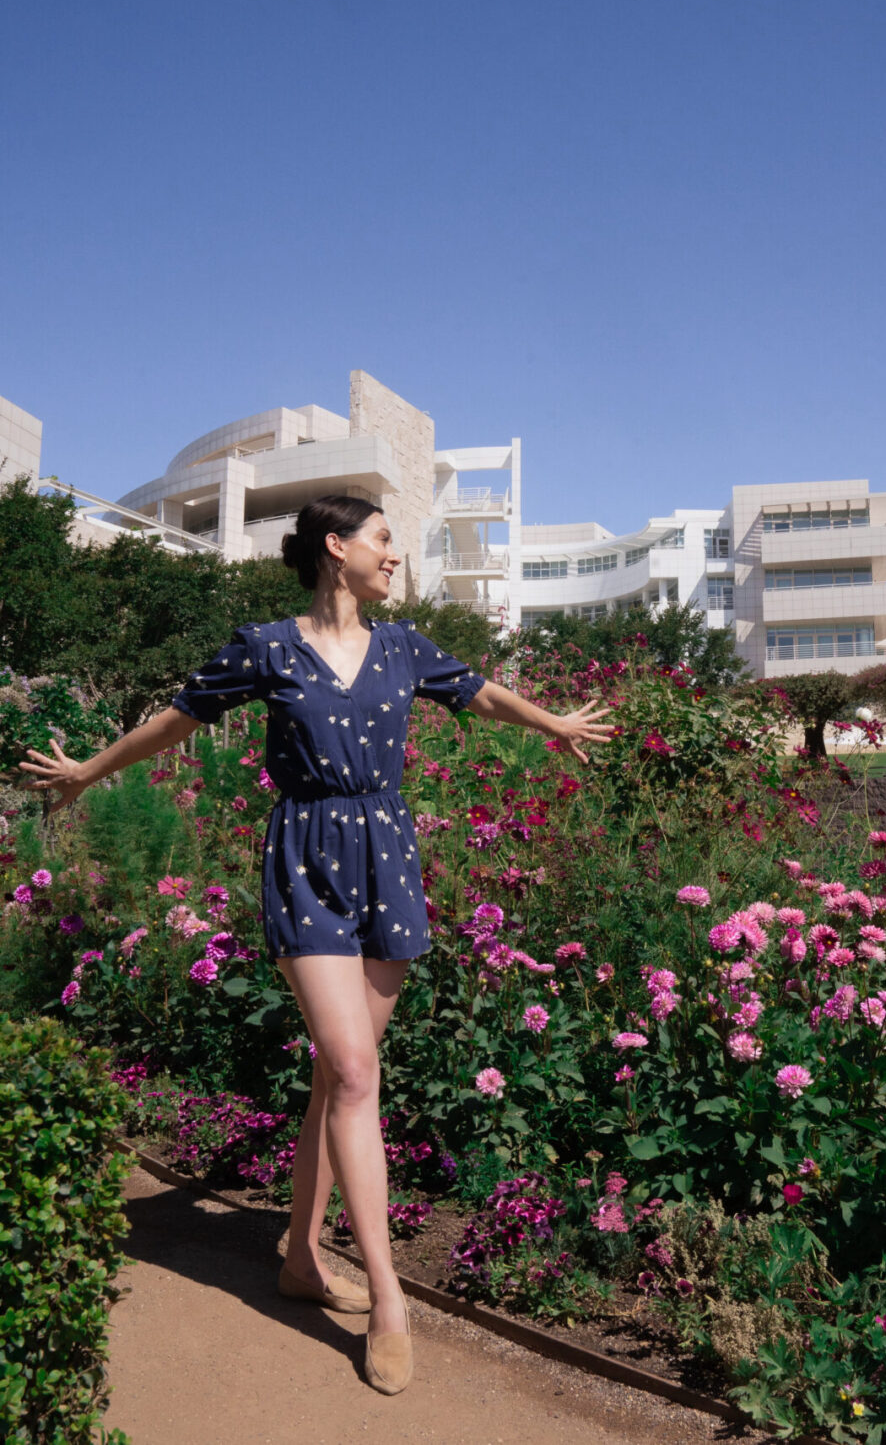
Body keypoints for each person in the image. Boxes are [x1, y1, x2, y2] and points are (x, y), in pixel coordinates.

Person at [20, 494, 614, 1395]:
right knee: (354, 1069)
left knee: (341, 1077)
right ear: (336, 549)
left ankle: (299, 1252)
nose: (395, 558)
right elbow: (178, 719)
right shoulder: (265, 646)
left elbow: (478, 691)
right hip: (305, 861)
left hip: (389, 861)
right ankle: (389, 1299)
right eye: (384, 541)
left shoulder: (405, 647)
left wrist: (553, 723)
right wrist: (89, 771)